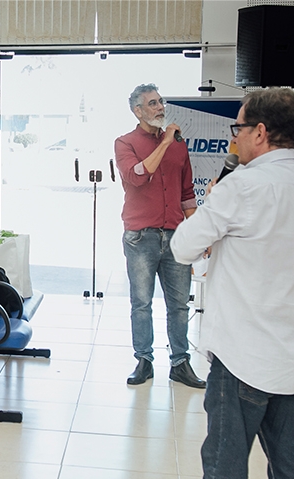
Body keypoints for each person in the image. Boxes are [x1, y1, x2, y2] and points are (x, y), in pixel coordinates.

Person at [143, 88, 294, 479]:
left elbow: (183, 246)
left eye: (239, 128)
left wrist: (212, 209)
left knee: (225, 464)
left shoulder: (242, 186)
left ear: (261, 133)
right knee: (289, 466)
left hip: (241, 354)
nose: (235, 138)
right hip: (289, 356)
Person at [114, 84, 204, 389]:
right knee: (141, 303)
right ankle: (144, 360)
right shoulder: (125, 143)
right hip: (141, 237)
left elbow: (187, 193)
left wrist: (198, 233)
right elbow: (137, 176)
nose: (160, 107)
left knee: (179, 305)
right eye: (152, 103)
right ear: (137, 111)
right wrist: (165, 143)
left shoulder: (179, 145)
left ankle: (180, 363)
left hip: (176, 236)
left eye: (160, 102)